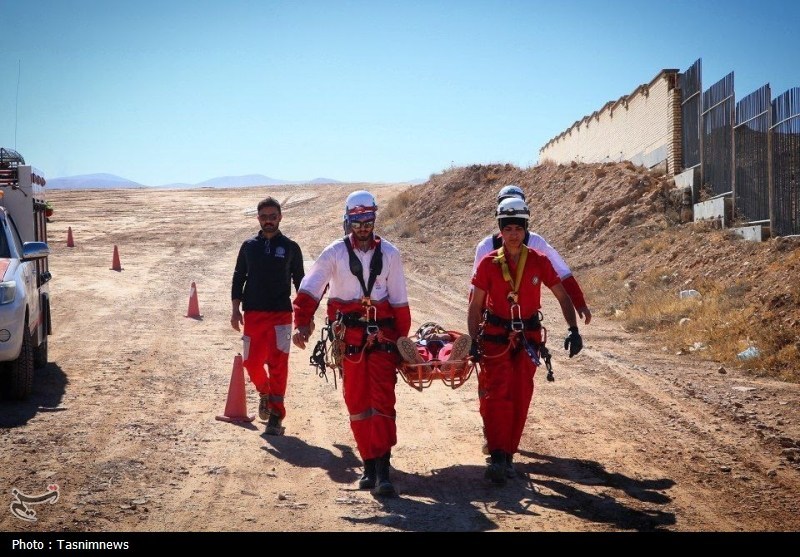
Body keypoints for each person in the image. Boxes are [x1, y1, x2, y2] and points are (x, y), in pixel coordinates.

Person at [292, 190, 411, 497]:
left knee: (383, 401)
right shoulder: (334, 253)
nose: (362, 227)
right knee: (357, 402)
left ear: (374, 221)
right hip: (349, 341)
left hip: (382, 338)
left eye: (367, 221)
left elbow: (399, 303)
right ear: (348, 221)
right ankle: (368, 464)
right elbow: (311, 287)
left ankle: (383, 467)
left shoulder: (391, 255)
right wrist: (302, 322)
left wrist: (401, 345)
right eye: (357, 221)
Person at [467, 196, 583, 485]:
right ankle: (498, 455)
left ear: (526, 229)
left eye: (519, 228)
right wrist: (472, 339)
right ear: (500, 231)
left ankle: (508, 455)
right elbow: (474, 305)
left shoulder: (539, 261)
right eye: (508, 228)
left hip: (528, 339)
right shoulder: (487, 263)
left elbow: (561, 295)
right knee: (497, 396)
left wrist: (573, 329)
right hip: (495, 339)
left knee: (521, 395)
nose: (513, 233)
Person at [231, 197, 305, 435]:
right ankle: (265, 392)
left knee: (278, 365)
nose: (269, 221)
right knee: (251, 363)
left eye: (273, 216)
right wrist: (235, 309)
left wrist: (305, 318)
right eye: (264, 217)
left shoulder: (291, 248)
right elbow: (238, 277)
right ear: (258, 218)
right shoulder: (248, 246)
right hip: (253, 314)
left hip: (281, 316)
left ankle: (276, 414)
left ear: (280, 217)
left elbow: (301, 283)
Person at [472, 184, 592, 325]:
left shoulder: (537, 243)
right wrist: (477, 325)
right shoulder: (486, 246)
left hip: (528, 322)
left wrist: (579, 303)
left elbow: (562, 273)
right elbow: (475, 292)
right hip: (496, 322)